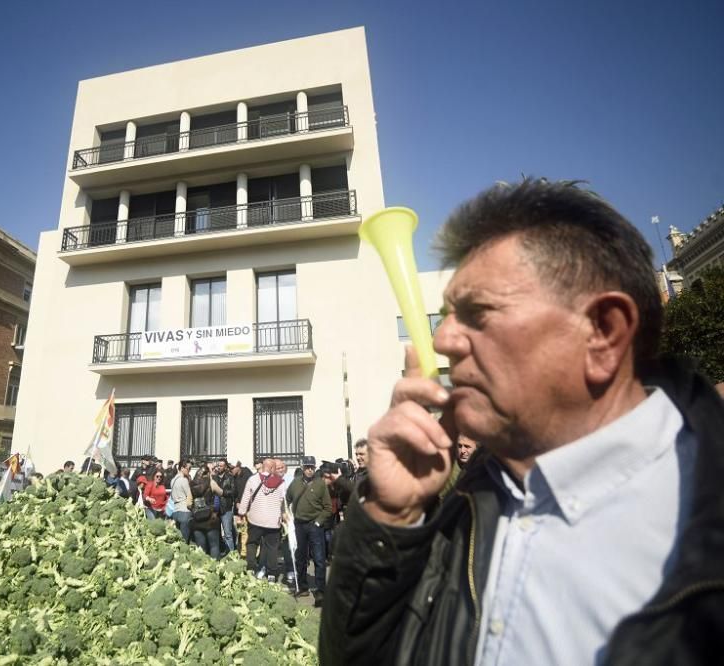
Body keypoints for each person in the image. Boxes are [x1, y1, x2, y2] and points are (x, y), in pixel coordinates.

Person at [320, 179, 724, 665]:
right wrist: (391, 518)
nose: (442, 340)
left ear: (603, 333)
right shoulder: (463, 505)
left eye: (477, 313)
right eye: (446, 315)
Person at [286, 456, 331, 605]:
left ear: (315, 467)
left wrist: (318, 522)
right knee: (300, 558)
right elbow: (287, 500)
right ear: (302, 467)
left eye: (312, 467)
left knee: (319, 559)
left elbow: (327, 507)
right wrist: (285, 514)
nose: (309, 469)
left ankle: (320, 591)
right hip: (299, 525)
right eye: (307, 467)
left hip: (315, 525)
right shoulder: (295, 483)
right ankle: (303, 586)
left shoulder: (320, 484)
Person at [237, 458, 285, 582]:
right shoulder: (280, 482)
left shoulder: (252, 479)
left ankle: (251, 568)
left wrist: (241, 513)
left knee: (252, 543)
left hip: (255, 519)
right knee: (272, 547)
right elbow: (283, 501)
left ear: (263, 466)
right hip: (273, 521)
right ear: (272, 468)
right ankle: (272, 574)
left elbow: (246, 498)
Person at [189, 467, 223, 559]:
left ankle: (202, 569)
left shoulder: (191, 484)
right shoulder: (211, 483)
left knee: (201, 549)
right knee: (214, 546)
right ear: (207, 473)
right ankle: (215, 568)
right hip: (211, 519)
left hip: (197, 520)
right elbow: (221, 492)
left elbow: (188, 503)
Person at [169, 461, 193, 541]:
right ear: (182, 468)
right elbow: (189, 495)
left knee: (178, 539)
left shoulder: (172, 480)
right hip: (185, 511)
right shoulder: (184, 480)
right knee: (185, 540)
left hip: (175, 511)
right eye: (188, 468)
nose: (189, 470)